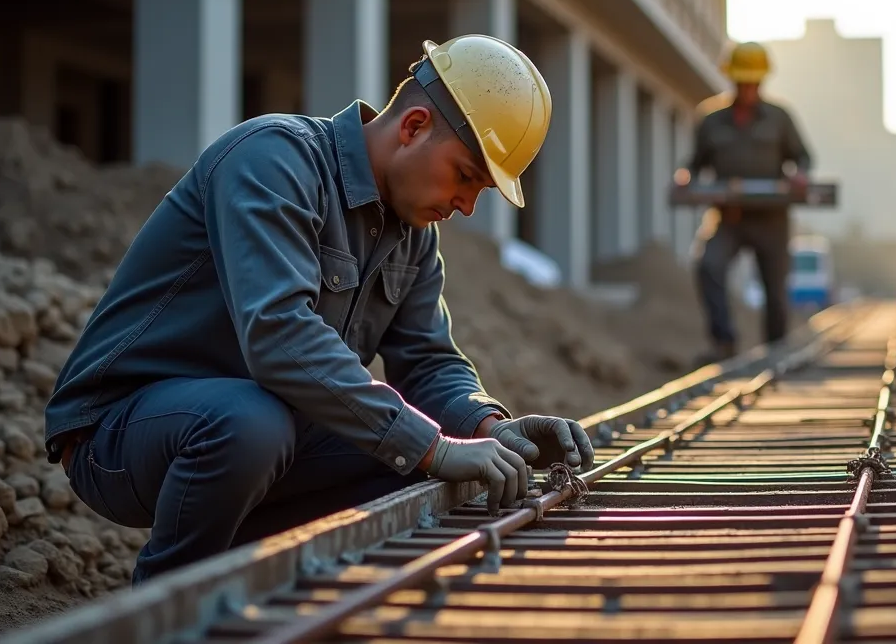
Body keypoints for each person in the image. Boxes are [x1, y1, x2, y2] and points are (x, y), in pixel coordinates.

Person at [43, 34, 595, 585]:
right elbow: (280, 337)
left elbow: (428, 363)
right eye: (467, 175)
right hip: (119, 436)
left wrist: (488, 428)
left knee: (413, 466)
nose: (468, 205)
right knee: (273, 426)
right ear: (413, 126)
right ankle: (165, 604)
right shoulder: (274, 160)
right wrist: (431, 446)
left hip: (264, 433)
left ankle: (264, 579)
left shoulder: (413, 235)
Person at [681, 41, 814, 366]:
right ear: (732, 80)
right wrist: (684, 177)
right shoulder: (711, 121)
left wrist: (799, 175)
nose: (748, 89)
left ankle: (776, 350)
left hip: (772, 219)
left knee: (775, 287)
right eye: (742, 83)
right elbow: (695, 165)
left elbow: (803, 157)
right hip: (730, 218)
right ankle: (723, 342)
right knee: (709, 265)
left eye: (753, 83)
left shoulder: (780, 118)